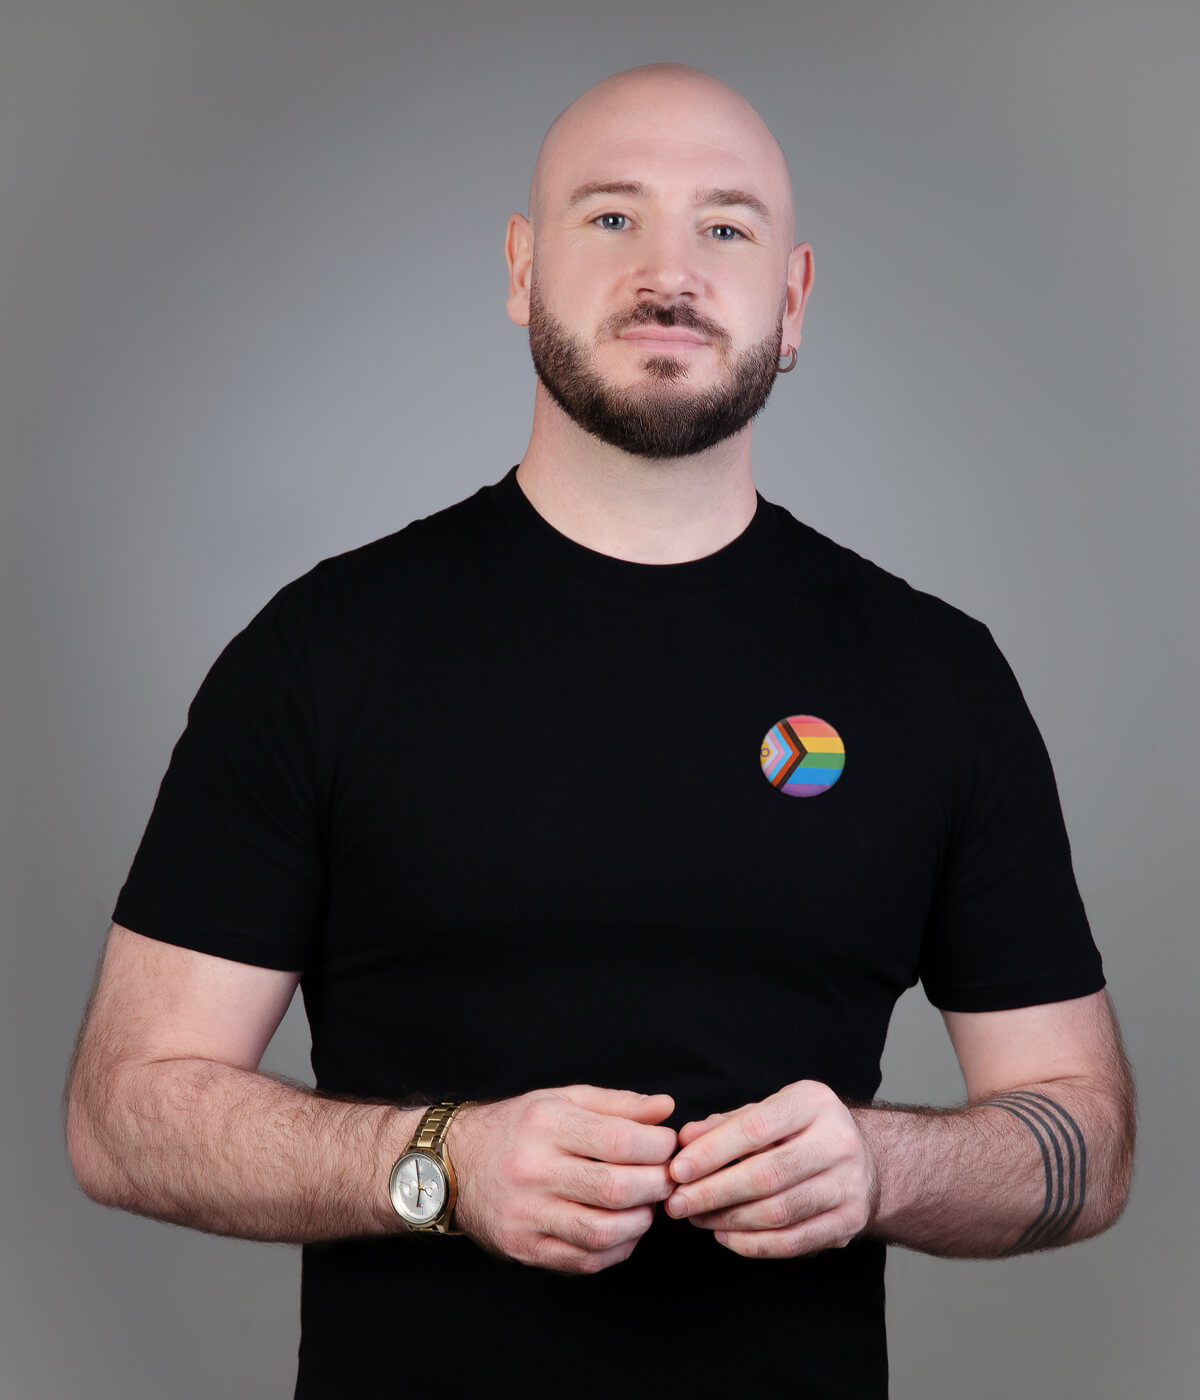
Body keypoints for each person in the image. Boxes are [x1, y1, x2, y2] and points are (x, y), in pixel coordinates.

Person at [65, 62, 1135, 1398]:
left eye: (726, 227)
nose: (669, 268)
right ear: (523, 271)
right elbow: (123, 1115)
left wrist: (881, 1168)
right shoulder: (324, 652)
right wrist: (438, 1165)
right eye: (611, 217)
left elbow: (1084, 1134)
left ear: (791, 301)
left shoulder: (935, 678)